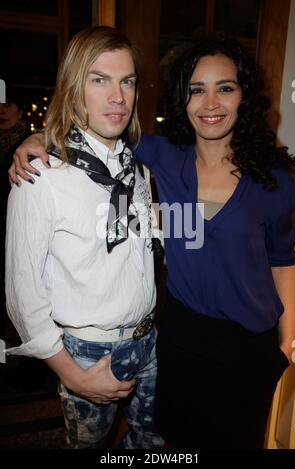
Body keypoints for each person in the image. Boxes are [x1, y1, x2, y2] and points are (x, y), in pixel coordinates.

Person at [9, 36, 295, 449]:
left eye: (226, 88)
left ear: (244, 96)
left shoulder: (272, 179)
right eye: (197, 89)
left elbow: (283, 258)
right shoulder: (159, 157)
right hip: (176, 338)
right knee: (170, 440)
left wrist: (287, 346)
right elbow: (89, 132)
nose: (211, 103)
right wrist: (37, 137)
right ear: (182, 98)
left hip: (235, 346)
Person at [5, 26, 164, 449]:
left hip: (148, 340)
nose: (118, 96)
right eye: (100, 80)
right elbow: (23, 296)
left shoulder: (137, 169)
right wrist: (74, 376)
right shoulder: (40, 176)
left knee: (151, 446)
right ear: (75, 88)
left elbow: (146, 246)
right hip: (88, 352)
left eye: (126, 81)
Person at [0, 93, 28, 338]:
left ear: (20, 112)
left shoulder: (29, 143)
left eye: (8, 104)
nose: (1, 110)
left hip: (16, 225)